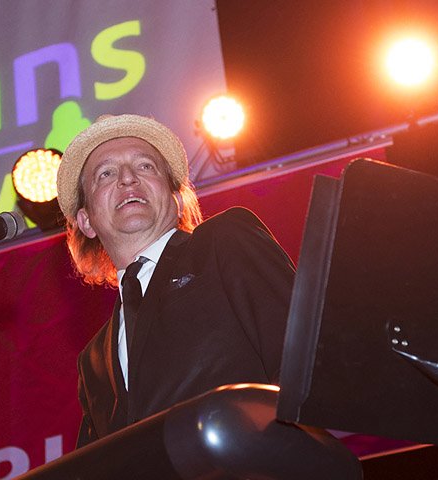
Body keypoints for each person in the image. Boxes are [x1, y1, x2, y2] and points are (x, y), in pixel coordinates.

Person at [56, 114, 297, 447]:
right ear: (86, 221)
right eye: (106, 174)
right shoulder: (93, 360)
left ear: (174, 197)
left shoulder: (224, 241)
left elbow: (302, 362)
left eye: (145, 167)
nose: (127, 179)